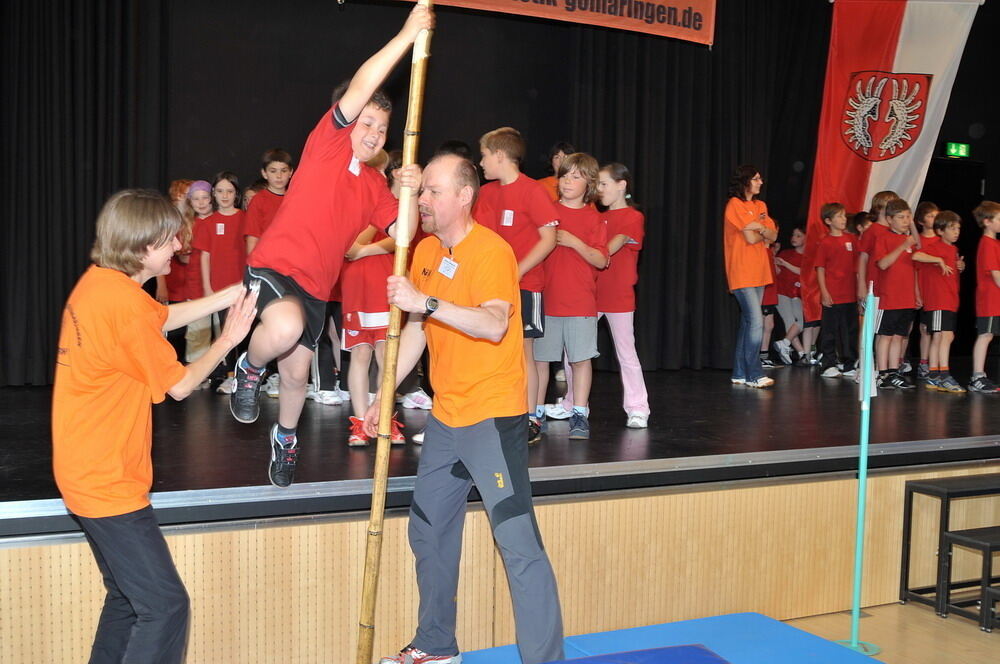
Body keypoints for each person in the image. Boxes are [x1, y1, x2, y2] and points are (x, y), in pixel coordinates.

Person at [366, 154, 563, 664]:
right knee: (427, 530)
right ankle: (436, 646)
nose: (423, 202)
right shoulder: (427, 251)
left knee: (517, 543)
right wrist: (382, 396)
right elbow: (416, 329)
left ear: (464, 195)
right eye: (421, 192)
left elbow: (495, 324)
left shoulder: (491, 251)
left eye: (432, 192)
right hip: (447, 417)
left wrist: (424, 302)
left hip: (493, 417)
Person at [230, 4, 432, 488]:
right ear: (347, 123)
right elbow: (363, 85)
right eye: (366, 123)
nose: (374, 133)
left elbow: (404, 234)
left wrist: (412, 190)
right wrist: (407, 35)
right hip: (276, 268)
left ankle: (285, 437)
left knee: (298, 377)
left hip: (318, 289)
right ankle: (248, 365)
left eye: (382, 129)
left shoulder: (373, 187)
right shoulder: (328, 143)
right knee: (284, 328)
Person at [53, 189, 257, 664]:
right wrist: (228, 338)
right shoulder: (122, 306)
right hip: (107, 481)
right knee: (165, 607)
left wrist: (226, 295)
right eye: (170, 239)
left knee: (128, 600)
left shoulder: (103, 283)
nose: (180, 246)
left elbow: (159, 318)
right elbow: (182, 385)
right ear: (144, 247)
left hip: (86, 470)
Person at [475, 126, 558, 443]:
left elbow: (548, 239)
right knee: (495, 350)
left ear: (499, 155)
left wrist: (517, 272)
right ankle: (499, 411)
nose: (481, 163)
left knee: (525, 351)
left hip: (525, 284)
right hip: (493, 287)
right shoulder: (488, 193)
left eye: (484, 156)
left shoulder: (532, 190)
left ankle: (532, 417)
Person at [533, 153, 608, 440]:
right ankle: (535, 414)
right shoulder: (545, 212)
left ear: (589, 182)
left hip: (580, 302)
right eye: (564, 175)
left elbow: (601, 260)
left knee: (580, 360)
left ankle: (580, 413)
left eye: (575, 176)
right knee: (541, 361)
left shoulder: (594, 219)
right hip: (547, 299)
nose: (567, 181)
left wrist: (575, 243)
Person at [594, 162, 649, 427]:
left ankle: (638, 407)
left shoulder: (632, 217)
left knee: (626, 353)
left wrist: (578, 244)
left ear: (621, 185)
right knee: (573, 353)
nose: (598, 189)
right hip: (590, 294)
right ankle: (571, 402)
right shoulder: (596, 215)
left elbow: (608, 248)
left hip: (618, 297)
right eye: (597, 184)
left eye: (603, 184)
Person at [723, 165, 777, 388]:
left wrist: (760, 228)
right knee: (756, 321)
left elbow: (771, 235)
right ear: (745, 182)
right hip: (742, 272)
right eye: (755, 179)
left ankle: (740, 373)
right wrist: (760, 230)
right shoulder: (734, 205)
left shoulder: (761, 205)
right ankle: (755, 373)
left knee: (748, 323)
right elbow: (752, 239)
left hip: (759, 272)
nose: (760, 182)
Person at [193, 171, 247, 392]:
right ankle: (228, 374)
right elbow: (205, 255)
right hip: (218, 287)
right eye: (220, 191)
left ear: (236, 194)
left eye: (230, 191)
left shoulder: (245, 218)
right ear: (213, 193)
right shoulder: (208, 222)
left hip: (242, 285)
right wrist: (207, 286)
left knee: (242, 331)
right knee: (224, 332)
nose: (225, 196)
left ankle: (242, 377)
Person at [919, 210, 964, 392]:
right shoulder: (935, 246)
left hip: (950, 298)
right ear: (940, 231)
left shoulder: (953, 250)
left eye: (958, 229)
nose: (956, 232)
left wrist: (959, 266)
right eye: (952, 229)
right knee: (941, 336)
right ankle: (941, 374)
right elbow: (917, 256)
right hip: (938, 299)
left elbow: (952, 271)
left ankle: (935, 374)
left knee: (947, 336)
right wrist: (937, 259)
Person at [813, 203, 857, 378]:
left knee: (850, 330)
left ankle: (849, 364)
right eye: (839, 216)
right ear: (828, 221)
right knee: (830, 330)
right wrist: (824, 292)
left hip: (850, 294)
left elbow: (856, 266)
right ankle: (828, 364)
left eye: (844, 216)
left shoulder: (851, 240)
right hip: (833, 294)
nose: (843, 219)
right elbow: (820, 268)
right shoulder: (825, 242)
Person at [970, 201, 1000, 392]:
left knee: (988, 335)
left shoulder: (995, 243)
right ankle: (977, 377)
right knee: (985, 335)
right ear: (987, 222)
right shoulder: (987, 244)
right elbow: (996, 275)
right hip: (990, 299)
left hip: (995, 299)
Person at [913, 201, 940, 382]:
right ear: (921, 221)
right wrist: (917, 292)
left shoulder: (942, 239)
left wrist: (960, 265)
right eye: (930, 215)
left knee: (935, 329)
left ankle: (934, 364)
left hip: (937, 292)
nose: (934, 219)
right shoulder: (917, 241)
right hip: (921, 289)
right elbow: (913, 268)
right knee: (923, 329)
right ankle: (922, 363)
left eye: (936, 215)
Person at [773, 226, 806, 364]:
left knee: (801, 322)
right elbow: (777, 272)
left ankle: (785, 344)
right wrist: (773, 256)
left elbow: (803, 272)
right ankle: (801, 353)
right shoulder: (785, 253)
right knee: (790, 321)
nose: (794, 238)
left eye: (798, 235)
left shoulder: (808, 257)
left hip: (797, 294)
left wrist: (785, 264)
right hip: (782, 292)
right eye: (793, 235)